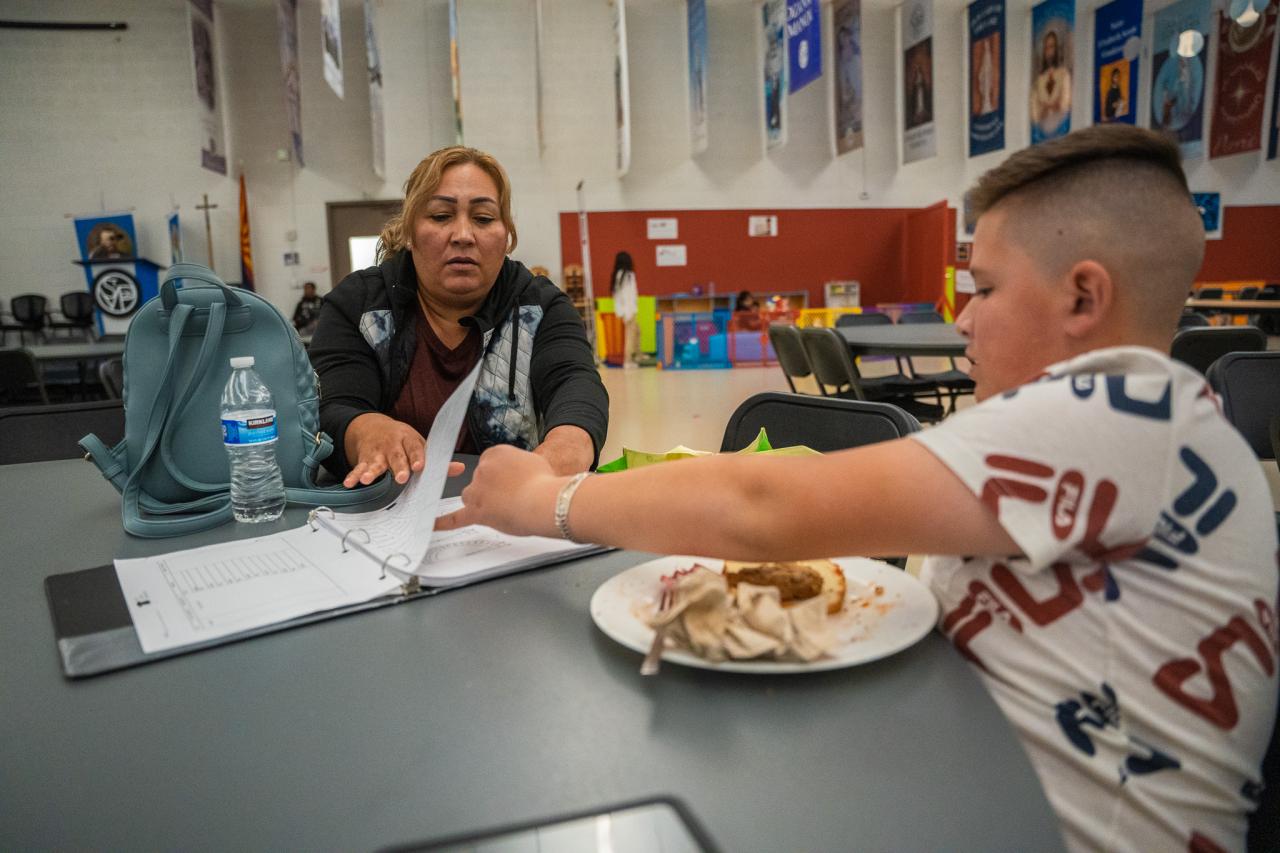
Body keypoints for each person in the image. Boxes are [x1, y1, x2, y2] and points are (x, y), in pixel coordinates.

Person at [439, 126, 1277, 852]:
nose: (964, 320)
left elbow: (767, 509)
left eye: (983, 288)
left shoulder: (1116, 413)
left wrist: (545, 503)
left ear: (1084, 296)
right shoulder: (1162, 419)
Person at [308, 145, 609, 488]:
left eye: (483, 219)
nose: (463, 235)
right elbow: (331, 408)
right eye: (440, 216)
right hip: (383, 513)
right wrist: (365, 430)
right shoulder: (358, 304)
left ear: (506, 235)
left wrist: (568, 445)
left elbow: (576, 383)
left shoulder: (541, 307)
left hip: (510, 508)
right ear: (409, 232)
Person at [1030, 30, 1071, 137]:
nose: (1049, 52)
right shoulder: (1039, 80)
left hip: (1060, 127)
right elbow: (1035, 115)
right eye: (1046, 48)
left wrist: (1052, 106)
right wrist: (1045, 108)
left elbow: (1065, 106)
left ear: (1057, 48)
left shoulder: (1064, 74)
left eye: (1052, 46)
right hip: (1043, 129)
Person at [609, 252, 640, 368]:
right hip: (629, 310)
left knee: (637, 331)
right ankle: (628, 361)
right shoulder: (628, 275)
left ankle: (638, 354)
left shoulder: (618, 275)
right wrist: (629, 313)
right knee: (630, 336)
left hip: (624, 309)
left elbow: (618, 295)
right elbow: (628, 295)